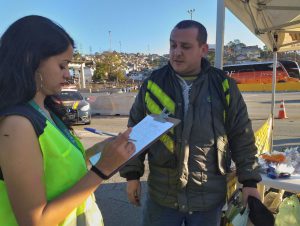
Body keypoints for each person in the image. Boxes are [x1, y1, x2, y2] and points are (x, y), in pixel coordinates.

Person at [120, 20, 261, 226]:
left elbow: (241, 134)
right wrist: (132, 175)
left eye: (185, 46)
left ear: (203, 49)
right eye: (173, 45)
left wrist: (249, 182)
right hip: (162, 197)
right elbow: (135, 131)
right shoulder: (152, 84)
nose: (177, 52)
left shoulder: (223, 85)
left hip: (208, 199)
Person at [0, 15, 135, 226]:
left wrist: (104, 149)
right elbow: (33, 221)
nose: (68, 75)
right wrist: (102, 170)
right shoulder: (17, 125)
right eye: (62, 66)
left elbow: (58, 167)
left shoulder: (45, 110)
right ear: (30, 60)